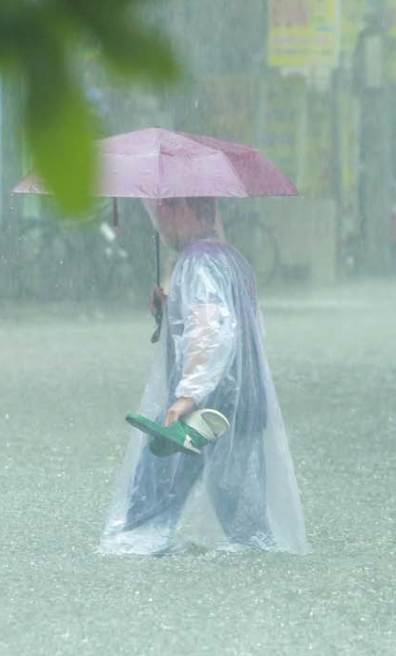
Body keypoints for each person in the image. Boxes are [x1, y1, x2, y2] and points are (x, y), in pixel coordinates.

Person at [103, 197, 306, 556]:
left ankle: (135, 548)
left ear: (181, 210)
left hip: (206, 402)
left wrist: (189, 394)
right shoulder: (231, 259)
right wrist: (170, 308)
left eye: (163, 212)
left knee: (156, 482)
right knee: (238, 501)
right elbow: (240, 325)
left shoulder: (198, 262)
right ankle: (257, 553)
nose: (160, 225)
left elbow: (212, 328)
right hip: (243, 397)